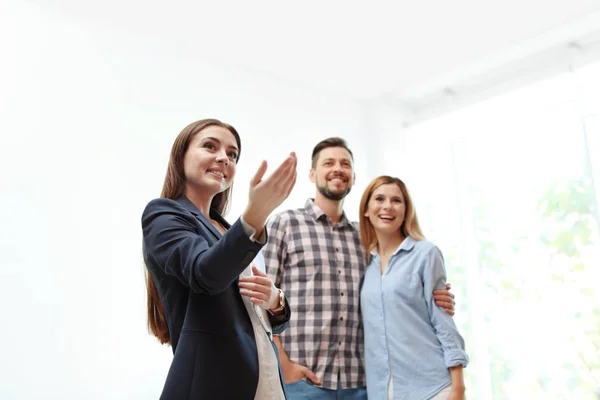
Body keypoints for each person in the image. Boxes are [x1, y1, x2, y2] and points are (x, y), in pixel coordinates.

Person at [263, 138, 456, 399]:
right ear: (312, 173)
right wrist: (283, 364)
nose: (337, 169)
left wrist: (435, 296)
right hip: (304, 381)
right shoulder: (285, 223)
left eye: (345, 164)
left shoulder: (364, 238)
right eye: (328, 162)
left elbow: (393, 287)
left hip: (361, 384)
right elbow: (262, 299)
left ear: (353, 177)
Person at [141, 118, 297, 399]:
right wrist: (255, 215)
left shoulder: (228, 229)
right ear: (181, 157)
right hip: (215, 386)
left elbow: (256, 315)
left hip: (265, 380)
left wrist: (276, 302)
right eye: (209, 146)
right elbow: (206, 275)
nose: (223, 158)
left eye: (232, 154)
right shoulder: (162, 214)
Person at [359, 175, 469, 400]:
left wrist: (458, 389)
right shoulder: (364, 264)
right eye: (379, 199)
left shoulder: (425, 254)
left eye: (396, 201)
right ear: (366, 210)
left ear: (406, 210)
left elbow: (444, 323)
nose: (388, 206)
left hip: (432, 388)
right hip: (383, 391)